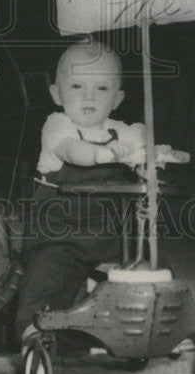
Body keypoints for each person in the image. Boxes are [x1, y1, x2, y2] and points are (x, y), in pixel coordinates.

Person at [15, 40, 184, 343]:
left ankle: (164, 319)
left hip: (112, 234)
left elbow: (144, 152)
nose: (89, 96)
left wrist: (153, 157)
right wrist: (102, 154)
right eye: (77, 86)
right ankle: (33, 324)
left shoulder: (126, 131)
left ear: (117, 98)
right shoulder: (58, 125)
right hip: (60, 231)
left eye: (102, 89)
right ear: (57, 93)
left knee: (151, 257)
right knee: (49, 268)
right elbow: (74, 152)